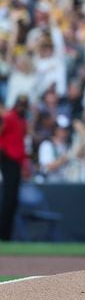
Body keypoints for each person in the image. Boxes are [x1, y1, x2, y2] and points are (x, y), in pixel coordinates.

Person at [0, 95, 28, 241]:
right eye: (20, 105)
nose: (22, 108)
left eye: (25, 105)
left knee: (13, 200)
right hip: (7, 159)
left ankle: (6, 236)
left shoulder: (22, 121)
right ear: (16, 105)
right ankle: (3, 235)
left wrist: (25, 165)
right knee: (9, 199)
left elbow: (22, 144)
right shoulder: (9, 117)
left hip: (16, 162)